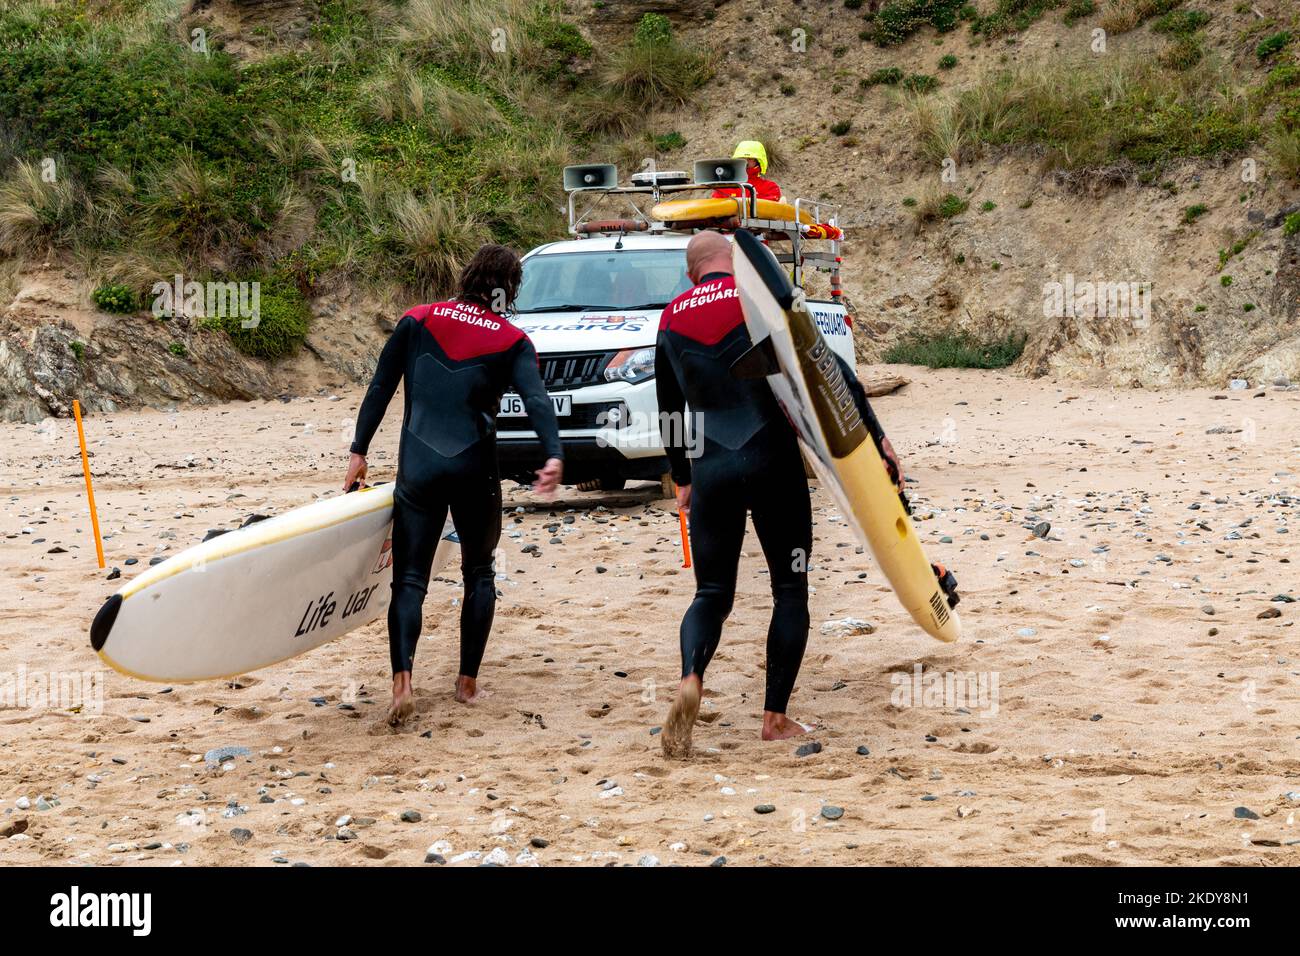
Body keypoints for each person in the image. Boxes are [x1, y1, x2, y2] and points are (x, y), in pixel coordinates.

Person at [654, 231, 903, 757]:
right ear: (733, 259)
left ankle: (690, 678)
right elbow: (829, 371)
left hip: (712, 468)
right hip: (771, 462)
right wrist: (875, 436)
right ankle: (774, 718)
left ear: (693, 271)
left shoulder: (671, 317)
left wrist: (683, 478)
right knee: (790, 590)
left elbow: (669, 408)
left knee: (711, 595)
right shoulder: (760, 295)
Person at [344, 244, 563, 726]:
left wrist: (359, 451)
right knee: (479, 573)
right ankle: (466, 685)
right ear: (510, 290)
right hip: (474, 471)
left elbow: (380, 386)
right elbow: (536, 399)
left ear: (466, 277)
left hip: (419, 469)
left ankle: (402, 681)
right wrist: (553, 454)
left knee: (409, 580)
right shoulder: (513, 340)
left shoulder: (417, 321)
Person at [711, 140, 782, 203]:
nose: (745, 162)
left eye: (750, 159)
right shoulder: (724, 188)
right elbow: (714, 212)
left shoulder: (770, 188)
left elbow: (768, 211)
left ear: (758, 162)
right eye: (742, 158)